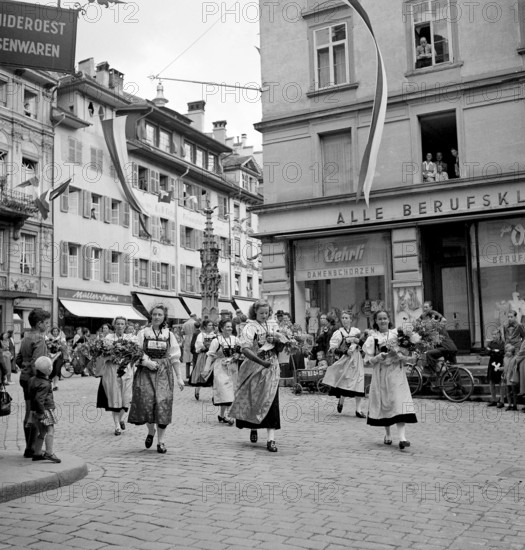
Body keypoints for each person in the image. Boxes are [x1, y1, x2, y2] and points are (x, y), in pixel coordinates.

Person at [128, 304, 184, 453]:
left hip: (164, 372)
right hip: (145, 372)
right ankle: (151, 430)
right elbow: (134, 353)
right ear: (151, 316)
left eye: (160, 314)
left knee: (162, 403)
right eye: (154, 314)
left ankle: (161, 441)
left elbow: (175, 357)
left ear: (164, 317)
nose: (157, 317)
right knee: (146, 402)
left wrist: (179, 377)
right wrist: (146, 362)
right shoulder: (143, 333)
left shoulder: (169, 335)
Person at [229, 299, 283, 453]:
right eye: (261, 313)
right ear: (255, 313)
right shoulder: (249, 327)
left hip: (272, 367)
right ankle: (253, 426)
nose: (264, 316)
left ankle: (271, 439)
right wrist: (260, 362)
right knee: (254, 398)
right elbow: (244, 350)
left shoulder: (273, 325)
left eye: (266, 313)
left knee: (272, 400)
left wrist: (278, 341)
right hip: (254, 366)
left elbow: (280, 347)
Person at [363, 310, 418, 449]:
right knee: (386, 402)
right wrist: (377, 357)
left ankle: (402, 437)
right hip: (381, 373)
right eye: (380, 319)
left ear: (389, 320)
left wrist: (401, 356)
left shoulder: (397, 335)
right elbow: (366, 361)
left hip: (397, 373)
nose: (383, 321)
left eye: (385, 318)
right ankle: (387, 434)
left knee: (399, 401)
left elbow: (408, 355)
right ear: (376, 321)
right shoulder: (372, 339)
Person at [15, 308, 50, 458]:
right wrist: (41, 380)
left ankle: (30, 447)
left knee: (29, 412)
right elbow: (39, 363)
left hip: (25, 378)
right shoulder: (39, 339)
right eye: (47, 323)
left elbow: (18, 359)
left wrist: (25, 368)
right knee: (36, 413)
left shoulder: (26, 337)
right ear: (40, 323)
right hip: (35, 379)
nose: (48, 325)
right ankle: (33, 448)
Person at [96, 316, 137, 435]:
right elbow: (103, 355)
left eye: (122, 324)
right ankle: (117, 425)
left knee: (126, 399)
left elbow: (135, 354)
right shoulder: (108, 338)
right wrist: (111, 356)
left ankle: (121, 418)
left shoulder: (130, 338)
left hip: (126, 370)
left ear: (125, 326)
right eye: (118, 324)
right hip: (112, 371)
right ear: (114, 325)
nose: (120, 326)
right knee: (115, 399)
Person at [322, 311, 365, 417]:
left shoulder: (356, 331)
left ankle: (358, 410)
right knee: (344, 381)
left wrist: (358, 342)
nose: (344, 320)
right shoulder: (339, 332)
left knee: (359, 381)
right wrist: (345, 351)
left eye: (347, 318)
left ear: (351, 319)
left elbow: (363, 344)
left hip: (357, 359)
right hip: (345, 360)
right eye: (343, 318)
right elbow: (332, 348)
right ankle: (341, 400)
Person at [202, 319, 241, 425]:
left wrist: (235, 357)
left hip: (232, 367)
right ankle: (229, 416)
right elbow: (210, 355)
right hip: (220, 367)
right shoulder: (216, 341)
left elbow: (240, 351)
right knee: (225, 391)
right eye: (227, 327)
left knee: (231, 391)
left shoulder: (235, 339)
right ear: (222, 328)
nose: (230, 328)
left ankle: (222, 415)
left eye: (231, 327)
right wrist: (206, 369)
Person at [28, 356, 61, 463]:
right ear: (48, 370)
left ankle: (37, 453)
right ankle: (49, 453)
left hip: (35, 411)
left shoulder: (32, 380)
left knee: (41, 432)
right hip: (45, 410)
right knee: (50, 430)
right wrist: (41, 413)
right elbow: (39, 399)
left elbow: (32, 397)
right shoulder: (45, 383)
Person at [189, 319, 216, 400]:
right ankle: (197, 391)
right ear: (205, 326)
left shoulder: (214, 335)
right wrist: (205, 348)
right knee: (201, 373)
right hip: (204, 356)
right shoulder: (201, 335)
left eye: (212, 325)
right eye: (209, 325)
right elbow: (199, 344)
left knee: (213, 374)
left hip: (212, 356)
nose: (211, 327)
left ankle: (214, 395)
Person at [485, 329, 505, 408]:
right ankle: (494, 399)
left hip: (500, 362)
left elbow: (501, 353)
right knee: (491, 381)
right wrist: (494, 351)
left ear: (499, 335)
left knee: (501, 382)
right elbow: (486, 352)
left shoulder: (502, 343)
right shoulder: (490, 343)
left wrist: (492, 351)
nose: (494, 336)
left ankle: (502, 400)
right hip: (492, 363)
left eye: (496, 334)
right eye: (493, 334)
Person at [45, 327, 69, 391]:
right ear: (52, 332)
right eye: (54, 331)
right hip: (51, 356)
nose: (55, 333)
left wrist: (61, 346)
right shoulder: (48, 339)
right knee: (52, 370)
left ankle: (56, 385)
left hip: (59, 355)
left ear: (58, 332)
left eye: (56, 331)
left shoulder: (61, 338)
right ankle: (53, 384)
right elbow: (47, 346)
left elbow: (64, 346)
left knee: (57, 369)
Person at [502, 344, 519, 411]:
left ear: (512, 352)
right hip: (506, 377)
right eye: (507, 351)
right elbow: (504, 367)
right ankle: (509, 404)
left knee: (514, 392)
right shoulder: (505, 358)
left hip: (512, 377)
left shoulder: (515, 358)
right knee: (508, 392)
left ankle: (515, 405)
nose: (507, 352)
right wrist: (501, 369)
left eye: (509, 351)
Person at [182, 313, 198, 379]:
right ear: (194, 316)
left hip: (186, 340)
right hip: (194, 339)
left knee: (187, 358)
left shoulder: (185, 324)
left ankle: (187, 374)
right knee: (194, 358)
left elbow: (182, 332)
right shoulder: (195, 323)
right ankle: (193, 374)